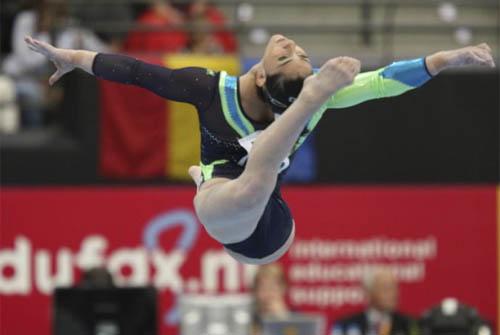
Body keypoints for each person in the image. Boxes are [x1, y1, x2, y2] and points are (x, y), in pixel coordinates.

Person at [24, 34, 495, 265]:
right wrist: (73, 59)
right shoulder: (208, 89)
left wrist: (447, 59)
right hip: (241, 213)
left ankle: (208, 178)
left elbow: (386, 81)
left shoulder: (310, 91)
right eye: (295, 53)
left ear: (266, 76)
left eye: (292, 57)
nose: (290, 46)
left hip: (266, 229)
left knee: (248, 187)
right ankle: (206, 179)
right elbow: (136, 72)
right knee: (240, 190)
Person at [332, 268, 419, 335]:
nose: (393, 294)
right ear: (369, 292)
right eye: (386, 288)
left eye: (394, 288)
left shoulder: (409, 325)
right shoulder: (346, 325)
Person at [251, 263, 292, 335]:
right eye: (263, 289)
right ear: (255, 291)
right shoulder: (248, 319)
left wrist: (283, 317)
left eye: (272, 289)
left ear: (283, 289)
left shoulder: (297, 318)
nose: (268, 295)